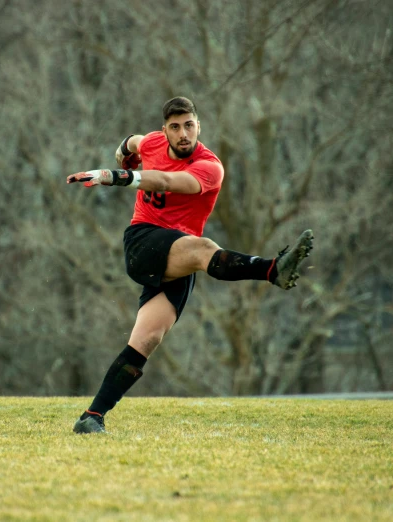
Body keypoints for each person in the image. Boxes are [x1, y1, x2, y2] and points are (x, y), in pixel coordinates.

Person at [66, 96, 313, 434]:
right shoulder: (153, 142)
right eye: (175, 127)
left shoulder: (209, 167)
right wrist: (124, 154)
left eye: (189, 125)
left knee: (147, 339)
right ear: (165, 130)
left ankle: (92, 417)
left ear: (199, 125)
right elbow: (130, 143)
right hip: (143, 242)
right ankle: (271, 270)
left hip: (177, 255)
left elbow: (167, 182)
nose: (183, 133)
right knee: (204, 249)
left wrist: (115, 174)